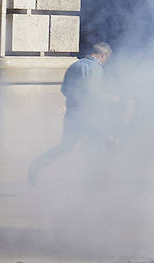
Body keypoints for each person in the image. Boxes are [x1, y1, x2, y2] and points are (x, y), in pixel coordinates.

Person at [28, 42, 113, 185]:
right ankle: (89, 182)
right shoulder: (96, 68)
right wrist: (109, 99)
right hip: (87, 114)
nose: (106, 61)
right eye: (107, 58)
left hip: (72, 112)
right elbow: (93, 93)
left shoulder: (75, 65)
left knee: (65, 147)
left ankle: (36, 165)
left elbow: (64, 89)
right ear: (103, 55)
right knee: (96, 145)